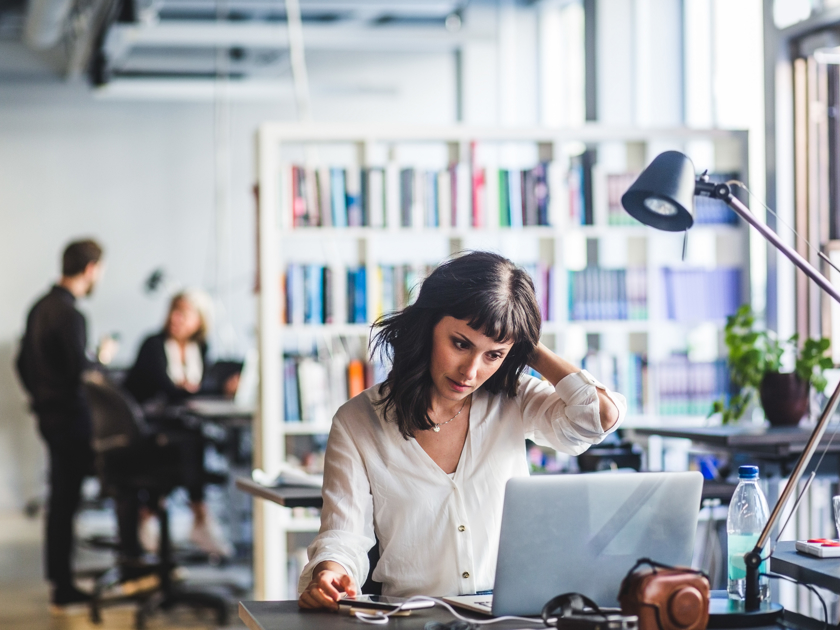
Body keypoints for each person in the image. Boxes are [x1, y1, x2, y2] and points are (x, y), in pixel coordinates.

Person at [298, 251, 626, 609]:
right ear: (428, 327)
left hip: (510, 614)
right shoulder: (358, 421)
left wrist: (524, 344)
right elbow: (343, 534)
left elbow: (598, 417)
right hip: (414, 616)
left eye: (493, 355)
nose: (471, 371)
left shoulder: (513, 397)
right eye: (461, 344)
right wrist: (330, 571)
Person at [15, 239, 104, 609]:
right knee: (66, 501)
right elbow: (79, 372)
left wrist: (39, 395)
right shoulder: (70, 314)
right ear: (90, 269)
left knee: (61, 500)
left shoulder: (39, 307)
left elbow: (20, 363)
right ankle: (64, 588)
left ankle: (60, 581)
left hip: (48, 416)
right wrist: (100, 360)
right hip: (70, 419)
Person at [122, 290, 233, 557]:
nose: (176, 318)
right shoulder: (153, 345)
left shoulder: (201, 348)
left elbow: (194, 390)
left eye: (184, 312)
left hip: (177, 427)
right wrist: (212, 387)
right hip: (144, 430)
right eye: (174, 310)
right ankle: (192, 516)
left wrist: (212, 386)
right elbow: (168, 390)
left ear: (200, 321)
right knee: (188, 442)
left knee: (192, 437)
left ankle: (165, 515)